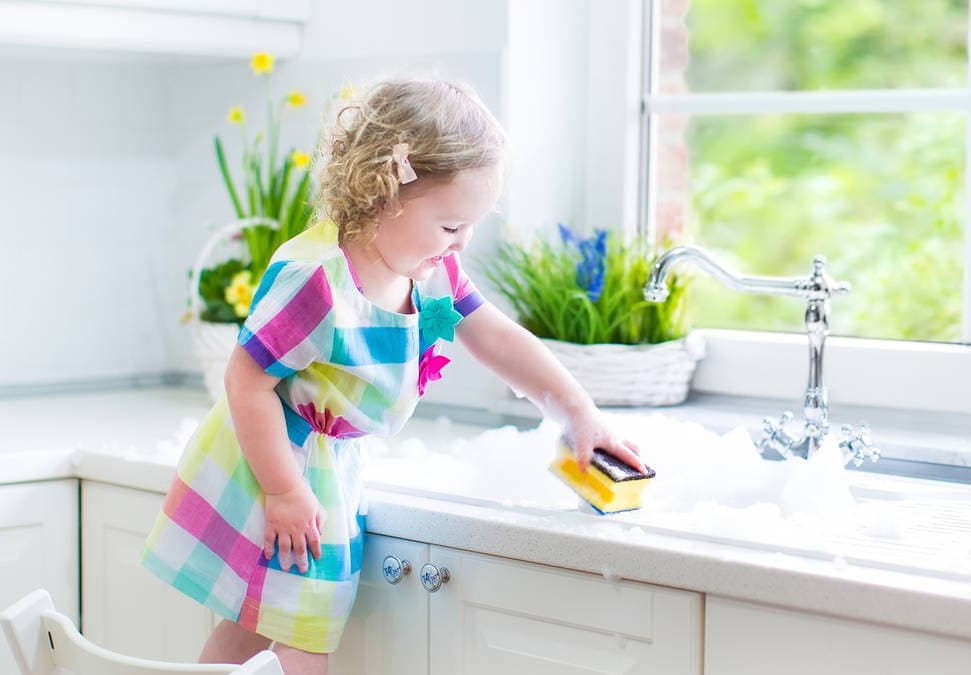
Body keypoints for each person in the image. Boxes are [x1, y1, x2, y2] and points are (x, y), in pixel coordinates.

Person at [140, 78, 645, 674]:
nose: (462, 242)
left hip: (327, 466)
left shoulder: (432, 272)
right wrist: (283, 491)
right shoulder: (318, 280)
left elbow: (497, 338)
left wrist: (579, 414)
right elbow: (244, 380)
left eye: (472, 225)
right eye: (452, 224)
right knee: (304, 631)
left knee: (254, 623)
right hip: (276, 463)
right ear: (383, 191)